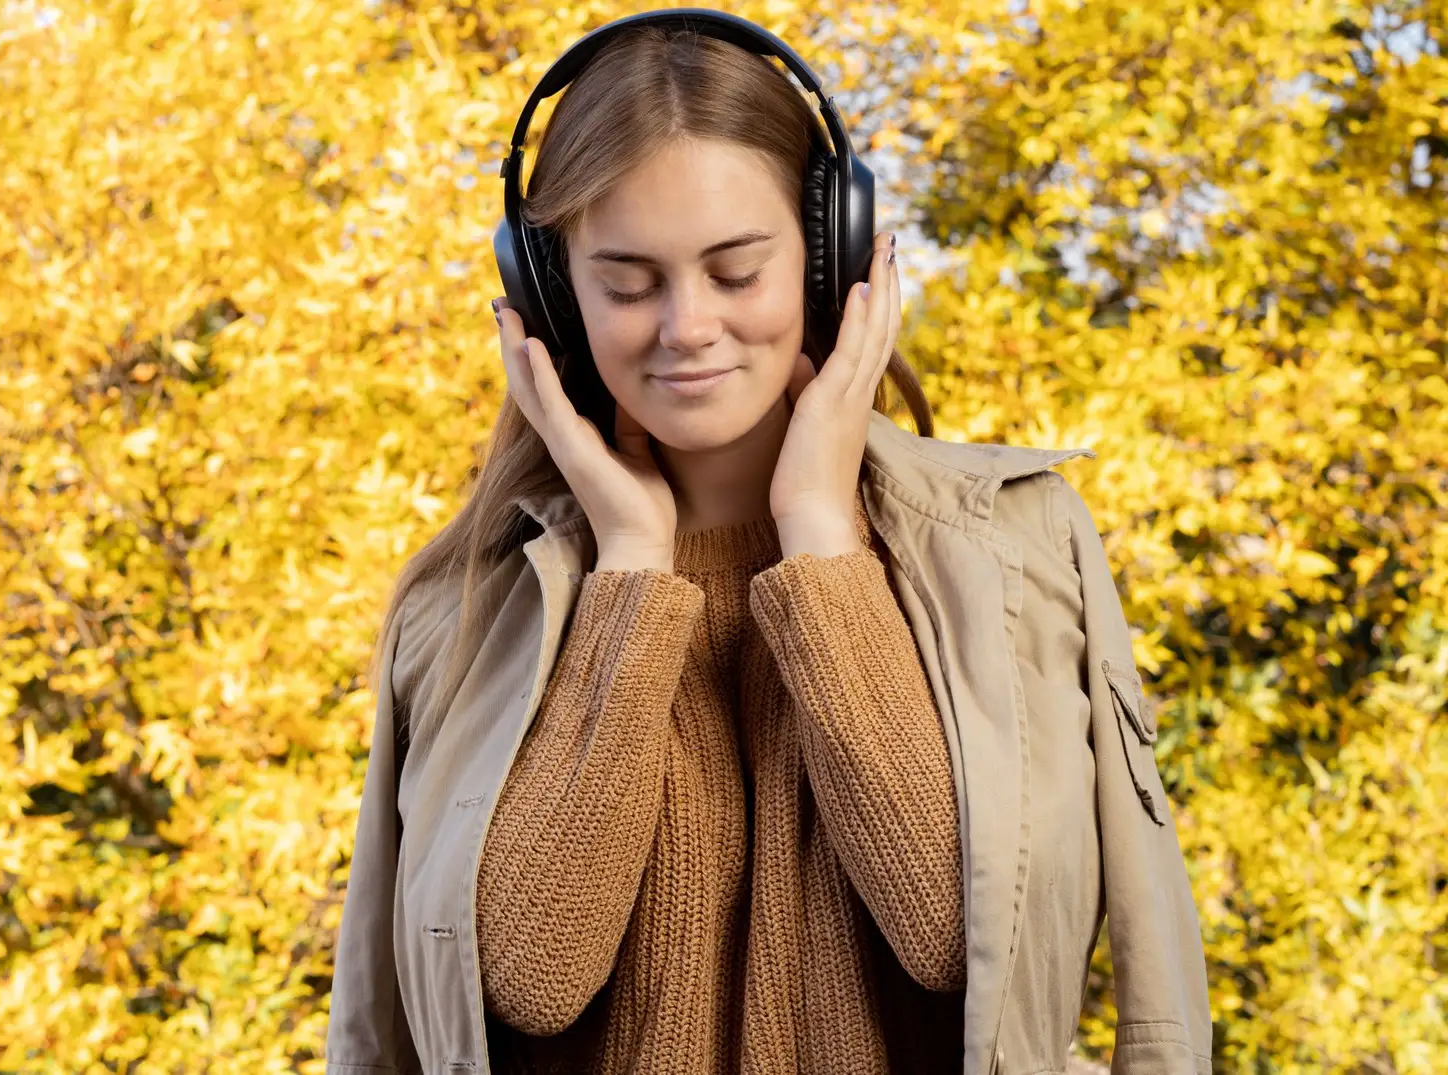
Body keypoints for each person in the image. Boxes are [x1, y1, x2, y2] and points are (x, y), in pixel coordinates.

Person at [326, 16, 1212, 1075]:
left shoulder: (1021, 547)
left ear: (830, 257)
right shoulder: (462, 602)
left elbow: (956, 932)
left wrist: (822, 542)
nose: (687, 325)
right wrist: (633, 571)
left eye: (736, 272)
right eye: (627, 281)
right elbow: (531, 975)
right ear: (551, 297)